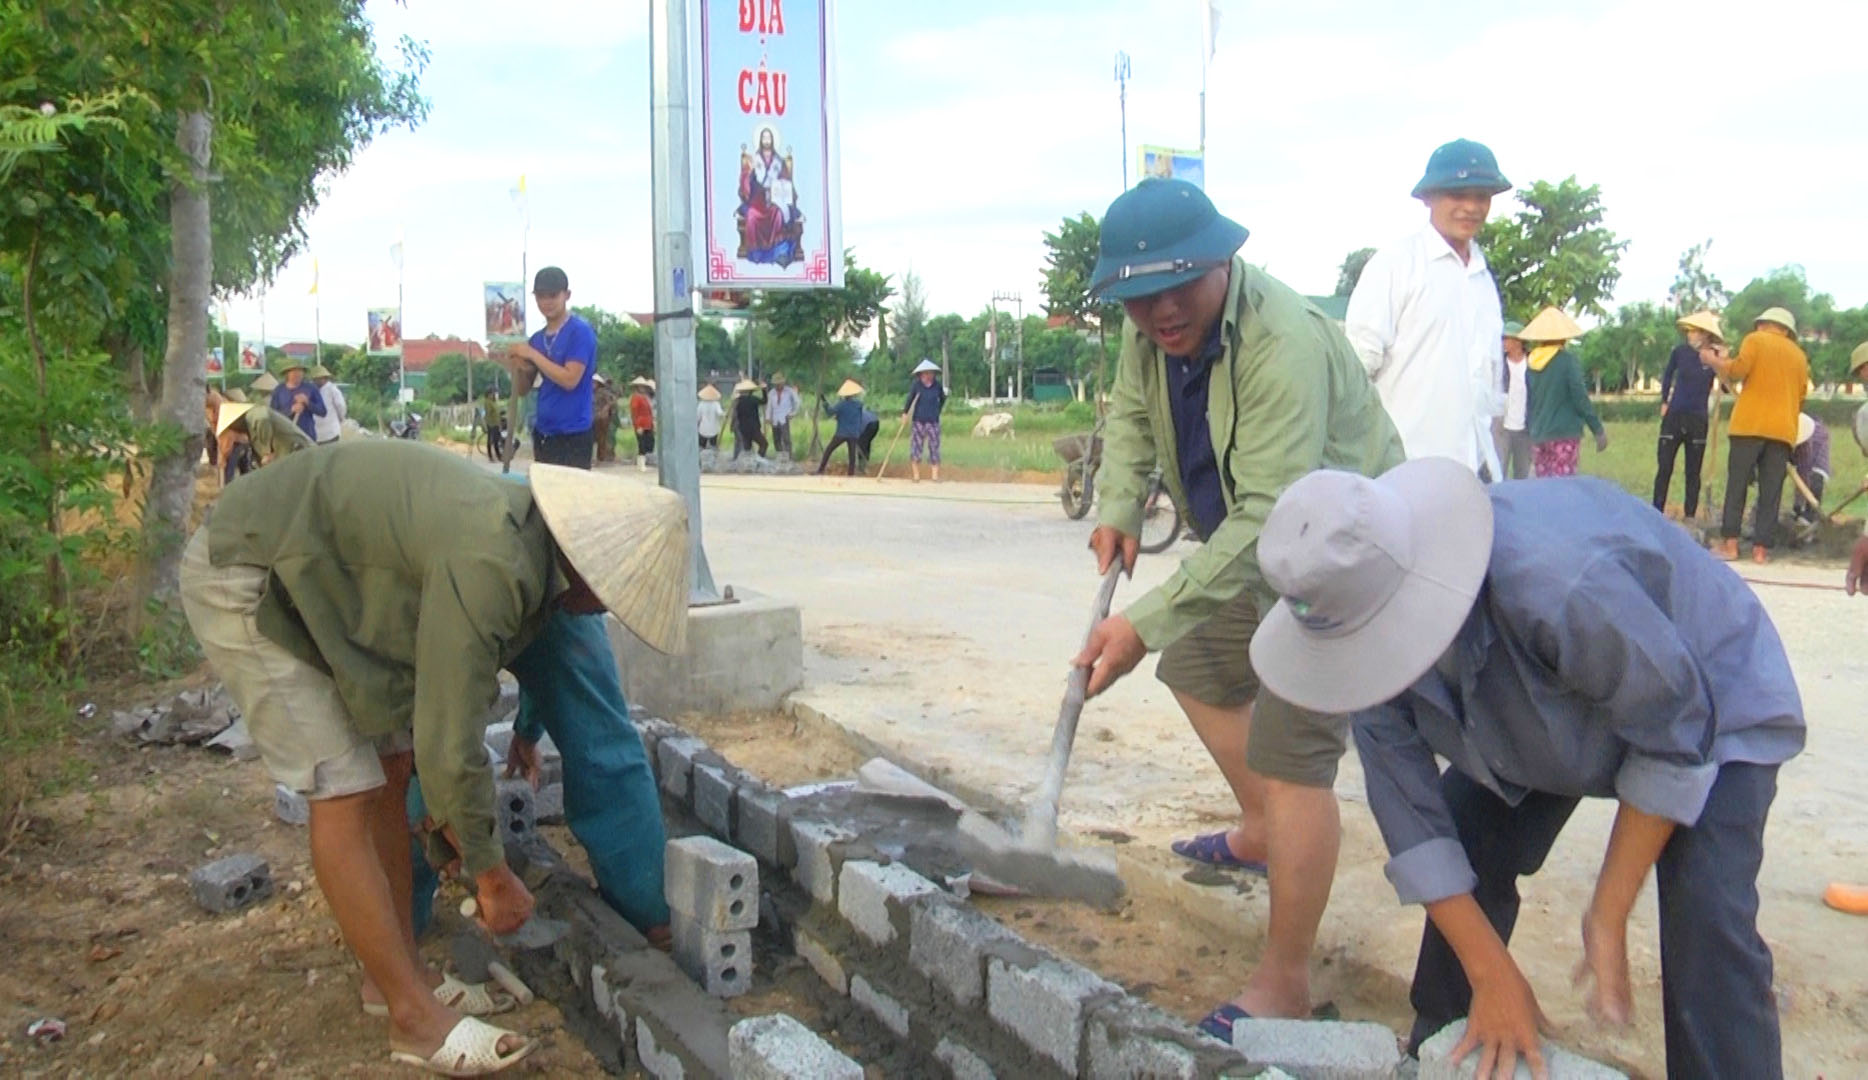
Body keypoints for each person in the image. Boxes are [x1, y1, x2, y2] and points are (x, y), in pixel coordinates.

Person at [1250, 461, 1803, 1079]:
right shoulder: (1359, 648)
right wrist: (1493, 974)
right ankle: (1448, 1047)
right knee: (1468, 834)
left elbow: (1676, 732)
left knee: (1705, 911)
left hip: (1707, 697)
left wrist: (1607, 912)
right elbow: (1415, 823)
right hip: (1542, 720)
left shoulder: (1557, 585)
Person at [179, 442, 688, 1076]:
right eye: (613, 596)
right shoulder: (494, 561)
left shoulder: (531, 551)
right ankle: (413, 1019)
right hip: (249, 573)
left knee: (391, 771)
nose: (609, 611)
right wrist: (490, 873)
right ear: (588, 571)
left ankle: (391, 976)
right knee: (344, 791)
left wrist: (458, 839)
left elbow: (435, 734)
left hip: (336, 583)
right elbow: (450, 741)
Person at [1069, 177, 1405, 1033]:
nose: (1162, 311)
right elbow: (1135, 422)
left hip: (1337, 550)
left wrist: (1140, 623)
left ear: (1225, 258)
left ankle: (1286, 981)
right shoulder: (1147, 332)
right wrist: (1117, 507)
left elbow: (1271, 510)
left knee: (1295, 755)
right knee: (1196, 664)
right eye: (1140, 297)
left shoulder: (1281, 340)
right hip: (1247, 546)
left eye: (1180, 284)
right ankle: (1258, 832)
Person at [1346, 138, 1510, 479]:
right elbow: (1356, 369)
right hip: (1406, 472)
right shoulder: (1395, 265)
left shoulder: (1483, 280)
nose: (1471, 207)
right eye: (1458, 195)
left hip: (1476, 472)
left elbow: (1488, 387)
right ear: (1428, 198)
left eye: (1481, 197)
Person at [1703, 307, 1809, 563]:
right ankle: (1761, 550)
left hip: (1749, 426)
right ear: (1787, 331)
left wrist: (1714, 361)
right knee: (1770, 492)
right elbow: (1802, 395)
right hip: (1782, 431)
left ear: (1764, 324)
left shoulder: (1754, 340)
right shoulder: (1799, 356)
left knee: (1737, 486)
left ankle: (1731, 545)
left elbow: (1738, 371)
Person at [505, 266, 599, 469]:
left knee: (570, 498)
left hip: (574, 434)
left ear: (567, 295)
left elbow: (569, 379)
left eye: (553, 295)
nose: (547, 302)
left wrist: (531, 354)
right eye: (541, 296)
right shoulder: (537, 339)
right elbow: (522, 389)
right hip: (544, 433)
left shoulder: (579, 332)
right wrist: (517, 366)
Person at [1520, 306, 1606, 477]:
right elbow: (1579, 398)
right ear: (1564, 337)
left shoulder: (1531, 364)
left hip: (1540, 435)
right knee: (1565, 487)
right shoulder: (1567, 362)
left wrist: (1530, 430)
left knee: (1545, 488)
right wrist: (1597, 429)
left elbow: (1530, 402)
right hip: (1564, 434)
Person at [1652, 310, 1722, 519]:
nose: (1690, 335)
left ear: (1705, 334)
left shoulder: (1714, 357)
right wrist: (1664, 400)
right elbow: (1667, 376)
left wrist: (1722, 362)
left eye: (1694, 331)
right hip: (1675, 415)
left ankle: (1690, 515)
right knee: (1664, 466)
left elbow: (1726, 385)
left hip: (1698, 418)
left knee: (1693, 471)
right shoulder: (1680, 352)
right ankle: (1656, 511)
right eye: (1689, 331)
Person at [216, 402, 314, 485]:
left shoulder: (253, 414)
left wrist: (266, 452)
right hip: (291, 462)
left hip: (300, 456)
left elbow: (262, 418)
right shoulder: (250, 429)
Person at [1495, 322, 1532, 480]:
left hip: (1525, 428)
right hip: (1502, 427)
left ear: (1518, 341)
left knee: (1522, 473)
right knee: (1497, 472)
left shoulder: (1532, 363)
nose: (1503, 342)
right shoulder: (1498, 364)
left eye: (1507, 338)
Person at [905, 359, 947, 482]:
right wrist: (905, 413)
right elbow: (909, 400)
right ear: (921, 374)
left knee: (934, 447)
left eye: (930, 373)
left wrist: (937, 410)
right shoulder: (916, 386)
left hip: (933, 420)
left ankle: (935, 476)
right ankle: (916, 476)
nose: (928, 376)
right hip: (918, 420)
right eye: (925, 373)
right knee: (916, 447)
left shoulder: (937, 386)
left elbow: (942, 399)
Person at [815, 379, 869, 476]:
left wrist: (824, 402)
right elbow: (859, 418)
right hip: (854, 433)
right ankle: (851, 474)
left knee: (829, 450)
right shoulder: (859, 405)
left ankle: (820, 470)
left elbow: (830, 413)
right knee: (852, 455)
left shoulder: (841, 405)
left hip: (842, 432)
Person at [1790, 412, 1829, 533]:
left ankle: (1808, 519)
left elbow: (1804, 471)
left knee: (1814, 481)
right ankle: (1803, 516)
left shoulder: (1815, 435)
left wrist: (1799, 504)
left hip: (1816, 470)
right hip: (1813, 470)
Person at [269, 360, 326, 442]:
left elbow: (322, 412)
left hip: (306, 436)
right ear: (287, 373)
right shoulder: (279, 390)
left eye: (300, 371)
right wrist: (291, 410)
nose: (298, 374)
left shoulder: (311, 388)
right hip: (285, 437)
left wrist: (307, 402)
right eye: (294, 371)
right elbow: (272, 415)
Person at [765, 372, 801, 457]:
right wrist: (767, 417)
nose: (777, 386)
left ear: (783, 383)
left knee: (786, 439)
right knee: (776, 439)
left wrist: (793, 413)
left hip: (784, 417)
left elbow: (797, 402)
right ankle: (780, 455)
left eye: (779, 384)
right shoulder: (771, 393)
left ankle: (789, 456)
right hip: (775, 418)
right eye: (776, 384)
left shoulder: (789, 391)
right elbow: (769, 406)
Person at [312, 364, 348, 445]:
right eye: (315, 379)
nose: (315, 380)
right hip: (317, 433)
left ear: (324, 378)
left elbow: (341, 406)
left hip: (331, 431)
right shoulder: (313, 391)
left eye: (318, 378)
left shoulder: (332, 389)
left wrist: (341, 418)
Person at [731, 379, 768, 458]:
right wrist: (764, 390)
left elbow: (736, 415)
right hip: (754, 428)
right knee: (764, 444)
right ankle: (758, 459)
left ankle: (749, 463)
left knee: (748, 448)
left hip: (743, 428)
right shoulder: (753, 399)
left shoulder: (738, 401)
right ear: (751, 391)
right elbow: (764, 401)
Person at [590, 374, 619, 464]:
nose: (593, 384)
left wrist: (606, 408)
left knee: (601, 438)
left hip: (602, 418)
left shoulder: (603, 392)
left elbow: (613, 401)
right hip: (591, 417)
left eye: (594, 383)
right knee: (592, 437)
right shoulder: (589, 393)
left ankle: (601, 457)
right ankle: (594, 457)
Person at [628, 377, 656, 467]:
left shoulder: (644, 397)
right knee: (642, 444)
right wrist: (638, 425)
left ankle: (648, 462)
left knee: (650, 442)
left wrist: (652, 424)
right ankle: (641, 464)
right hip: (641, 424)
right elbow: (635, 412)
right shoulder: (635, 398)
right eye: (641, 386)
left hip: (648, 423)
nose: (643, 388)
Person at [696, 384, 725, 450]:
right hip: (713, 429)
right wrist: (724, 415)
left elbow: (698, 417)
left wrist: (696, 424)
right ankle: (712, 458)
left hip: (703, 429)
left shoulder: (701, 404)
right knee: (713, 446)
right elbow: (720, 413)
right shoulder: (716, 404)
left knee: (701, 447)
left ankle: (701, 458)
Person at [482, 388, 507, 463]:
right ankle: (491, 456)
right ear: (489, 394)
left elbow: (496, 412)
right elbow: (488, 414)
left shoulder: (494, 402)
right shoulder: (487, 402)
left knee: (496, 440)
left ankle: (498, 456)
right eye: (493, 393)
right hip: (491, 423)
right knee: (490, 440)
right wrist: (488, 424)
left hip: (496, 423)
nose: (494, 395)